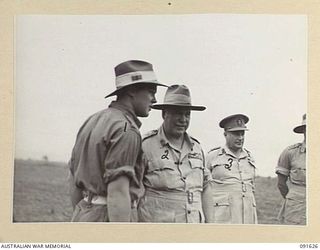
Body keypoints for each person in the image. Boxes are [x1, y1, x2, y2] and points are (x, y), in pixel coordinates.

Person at [68, 60, 167, 222]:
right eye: (151, 92)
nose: (154, 100)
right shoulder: (126, 129)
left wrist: (86, 215)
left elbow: (73, 179)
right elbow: (118, 192)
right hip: (111, 217)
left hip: (83, 214)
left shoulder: (92, 121)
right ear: (133, 90)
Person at [137, 84, 213, 223]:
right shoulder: (145, 146)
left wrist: (211, 226)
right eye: (178, 113)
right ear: (164, 113)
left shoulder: (196, 148)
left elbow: (206, 186)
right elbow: (133, 191)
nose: (183, 120)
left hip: (193, 229)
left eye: (187, 114)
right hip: (158, 232)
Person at [206, 114, 257, 224]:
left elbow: (252, 187)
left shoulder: (249, 158)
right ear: (225, 134)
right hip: (222, 217)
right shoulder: (213, 156)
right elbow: (203, 187)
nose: (240, 138)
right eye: (235, 134)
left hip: (247, 217)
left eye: (242, 133)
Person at [276, 114, 306, 225]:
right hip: (296, 209)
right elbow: (281, 184)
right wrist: (296, 198)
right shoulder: (290, 152)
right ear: (303, 130)